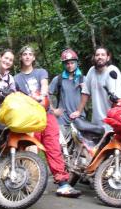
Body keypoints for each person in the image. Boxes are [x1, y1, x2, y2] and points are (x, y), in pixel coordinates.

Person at [14, 45, 81, 198]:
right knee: (31, 148)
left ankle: (62, 183)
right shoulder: (16, 78)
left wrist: (41, 95)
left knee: (53, 147)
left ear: (34, 57)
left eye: (30, 54)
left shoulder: (40, 72)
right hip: (30, 116)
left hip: (46, 114)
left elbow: (44, 86)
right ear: (21, 57)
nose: (27, 56)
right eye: (24, 54)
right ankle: (29, 182)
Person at [70, 46, 121, 124]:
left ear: (108, 58)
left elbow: (117, 100)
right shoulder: (92, 71)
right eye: (97, 55)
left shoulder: (112, 71)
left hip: (111, 120)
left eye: (103, 55)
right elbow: (85, 92)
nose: (100, 57)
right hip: (96, 120)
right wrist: (78, 111)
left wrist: (114, 120)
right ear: (94, 57)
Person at [49, 48, 86, 125]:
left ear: (76, 63)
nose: (70, 66)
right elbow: (47, 94)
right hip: (62, 119)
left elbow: (90, 99)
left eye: (72, 63)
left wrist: (85, 89)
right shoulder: (58, 79)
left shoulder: (83, 79)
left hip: (79, 117)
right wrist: (53, 110)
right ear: (64, 64)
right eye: (67, 63)